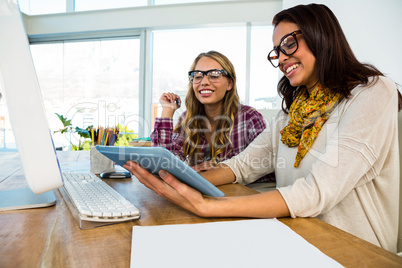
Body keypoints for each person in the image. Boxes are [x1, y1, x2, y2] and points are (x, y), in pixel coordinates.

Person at [125, 4, 401, 252]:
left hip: (354, 250)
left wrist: (208, 205)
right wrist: (180, 179)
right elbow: (243, 165)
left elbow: (317, 191)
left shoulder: (373, 92)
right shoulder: (292, 113)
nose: (281, 59)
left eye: (289, 44)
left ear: (322, 35)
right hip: (296, 237)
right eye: (277, 52)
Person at [151, 51, 272, 183]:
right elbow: (164, 166)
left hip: (244, 196)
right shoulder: (187, 120)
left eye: (214, 75)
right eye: (197, 76)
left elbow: (263, 165)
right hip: (204, 195)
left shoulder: (249, 118)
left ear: (230, 84)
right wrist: (167, 111)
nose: (204, 82)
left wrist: (223, 169)